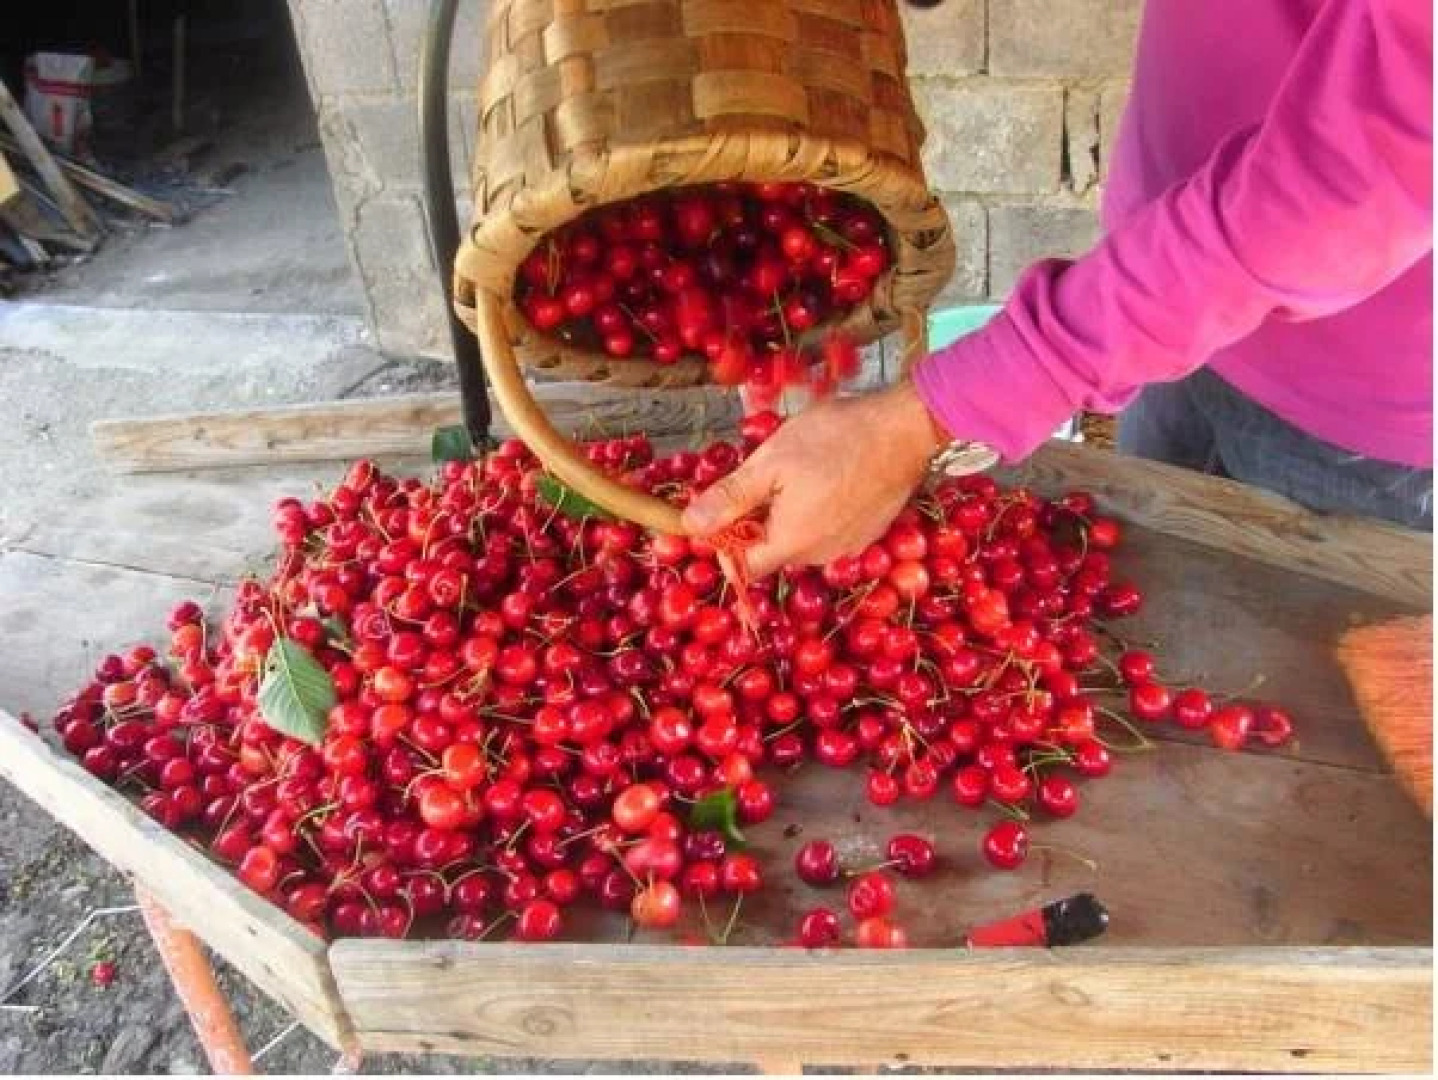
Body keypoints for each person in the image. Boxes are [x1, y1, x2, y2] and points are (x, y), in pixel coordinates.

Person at [681, 0, 1434, 574]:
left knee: (1308, 735)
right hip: (1161, 305)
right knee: (1153, 605)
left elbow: (1351, 184)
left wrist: (931, 415)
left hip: (1362, 432)